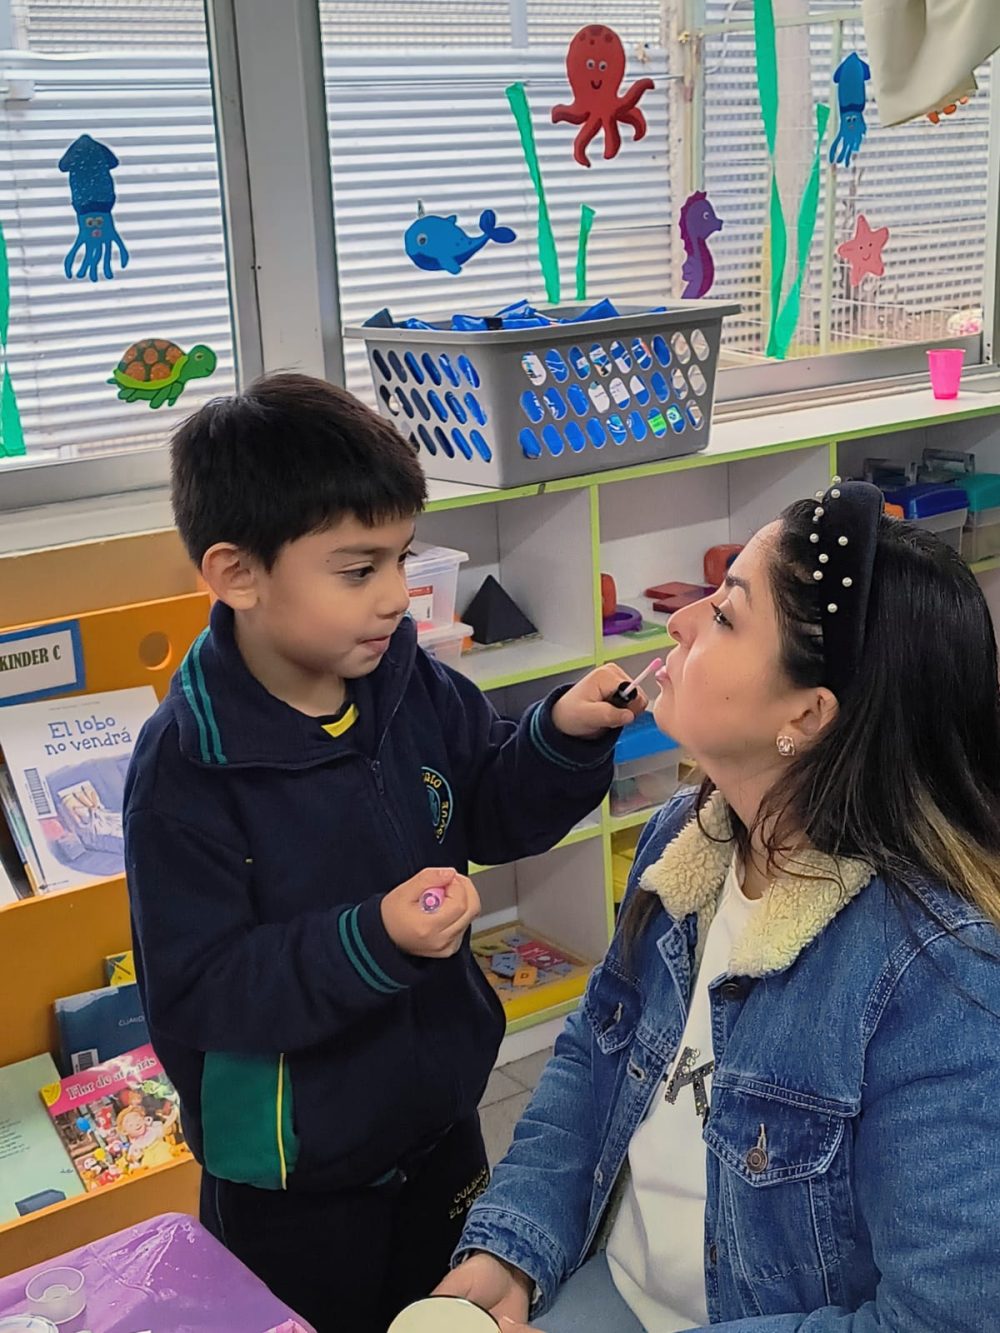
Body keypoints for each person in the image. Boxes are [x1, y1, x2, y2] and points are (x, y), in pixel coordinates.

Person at [123, 373, 642, 1333]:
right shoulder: (188, 767)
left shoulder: (405, 678)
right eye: (359, 570)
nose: (399, 598)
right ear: (237, 574)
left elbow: (487, 803)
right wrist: (374, 939)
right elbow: (199, 988)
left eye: (404, 559)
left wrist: (560, 736)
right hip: (293, 1177)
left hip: (442, 1123)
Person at [438, 480, 1000, 1331]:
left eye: (728, 615)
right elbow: (596, 1053)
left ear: (807, 716)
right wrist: (512, 1245)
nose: (682, 621)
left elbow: (939, 1318)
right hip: (617, 1290)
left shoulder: (939, 976)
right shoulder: (687, 836)